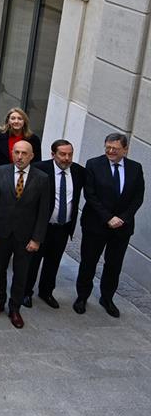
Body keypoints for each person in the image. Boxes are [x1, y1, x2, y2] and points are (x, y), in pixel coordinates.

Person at [75, 134, 145, 318]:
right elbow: (90, 195)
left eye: (115, 148)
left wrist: (122, 218)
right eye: (107, 147)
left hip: (122, 227)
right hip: (96, 225)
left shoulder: (135, 168)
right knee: (88, 262)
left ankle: (107, 298)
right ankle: (82, 296)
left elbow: (138, 197)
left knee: (113, 265)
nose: (110, 151)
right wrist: (108, 218)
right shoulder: (93, 164)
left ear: (125, 149)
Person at [0, 139, 50, 329]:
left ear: (32, 156)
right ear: (12, 153)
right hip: (2, 233)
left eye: (24, 153)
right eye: (17, 152)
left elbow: (43, 211)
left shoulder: (42, 178)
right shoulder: (0, 171)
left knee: (21, 273)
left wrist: (37, 239)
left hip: (25, 236)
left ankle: (15, 307)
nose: (20, 157)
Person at [24, 139, 85, 309]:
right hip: (41, 227)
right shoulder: (39, 169)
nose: (66, 158)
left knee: (53, 261)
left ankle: (46, 292)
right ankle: (26, 292)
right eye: (62, 154)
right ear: (53, 154)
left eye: (69, 154)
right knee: (33, 262)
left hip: (63, 227)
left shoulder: (79, 172)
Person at [0, 107, 42, 179]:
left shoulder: (33, 139)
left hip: (24, 178)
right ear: (8, 121)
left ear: (24, 121)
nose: (16, 121)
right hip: (0, 178)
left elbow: (37, 163)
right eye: (13, 118)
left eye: (20, 119)